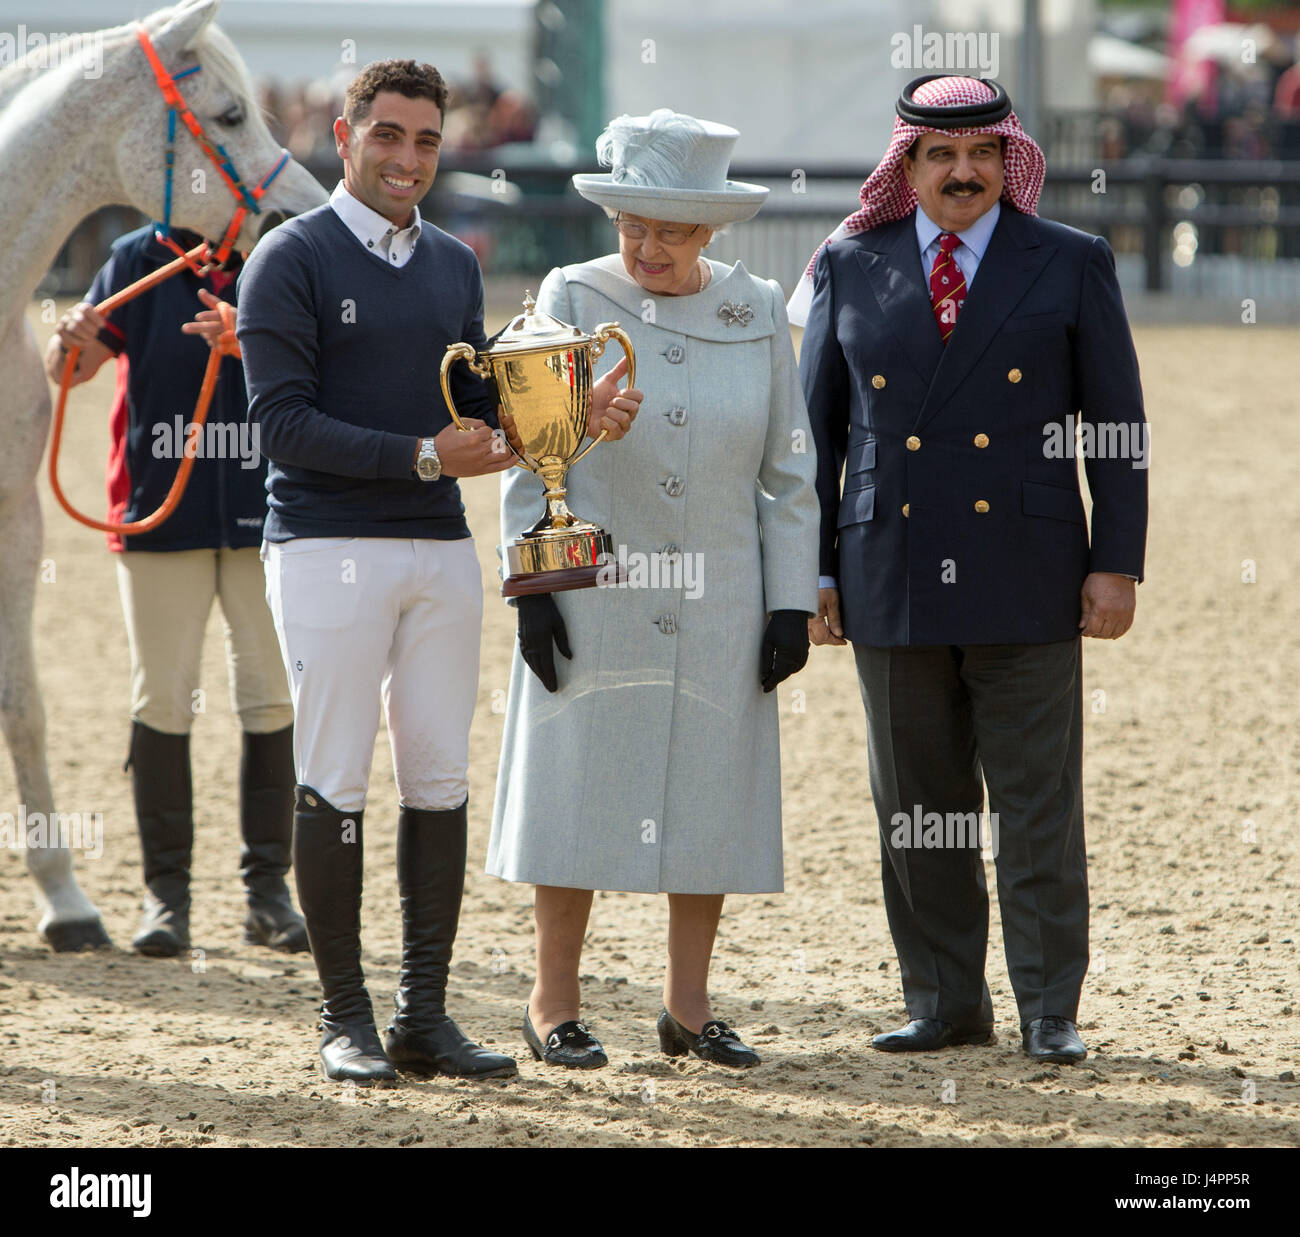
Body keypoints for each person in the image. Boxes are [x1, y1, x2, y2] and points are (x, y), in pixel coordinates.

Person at [793, 76, 1149, 1065]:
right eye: (940, 155)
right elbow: (810, 436)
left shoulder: (1071, 261)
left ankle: (1048, 1007)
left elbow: (1116, 426)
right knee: (920, 806)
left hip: (1029, 567)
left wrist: (1116, 560)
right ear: (905, 165)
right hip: (887, 568)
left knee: (1036, 805)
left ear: (1008, 160)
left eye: (982, 154)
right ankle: (944, 1000)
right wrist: (812, 572)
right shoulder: (848, 262)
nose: (962, 173)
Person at [488, 109, 820, 1069]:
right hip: (597, 590)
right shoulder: (572, 292)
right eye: (632, 223)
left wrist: (790, 600)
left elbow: (789, 469)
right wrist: (532, 588)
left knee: (710, 792)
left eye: (670, 230)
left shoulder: (754, 307)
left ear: (710, 230)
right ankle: (553, 1003)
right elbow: (528, 453)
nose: (646, 246)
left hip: (722, 594)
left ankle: (688, 1006)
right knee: (576, 789)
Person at [236, 59, 517, 1085]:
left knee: (440, 780)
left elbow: (478, 399)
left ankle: (423, 1015)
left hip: (439, 547)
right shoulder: (286, 259)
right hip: (325, 546)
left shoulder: (453, 261)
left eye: (427, 141)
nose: (408, 159)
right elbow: (281, 425)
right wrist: (423, 457)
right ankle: (343, 1016)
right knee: (336, 779)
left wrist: (550, 424)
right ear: (346, 135)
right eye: (388, 136)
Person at [45, 226, 305, 959]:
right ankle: (167, 897)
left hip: (269, 508)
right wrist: (71, 338)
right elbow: (70, 372)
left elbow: (329, 364)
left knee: (271, 697)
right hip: (159, 509)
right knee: (161, 697)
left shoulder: (281, 249)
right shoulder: (135, 258)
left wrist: (251, 344)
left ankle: (267, 894)